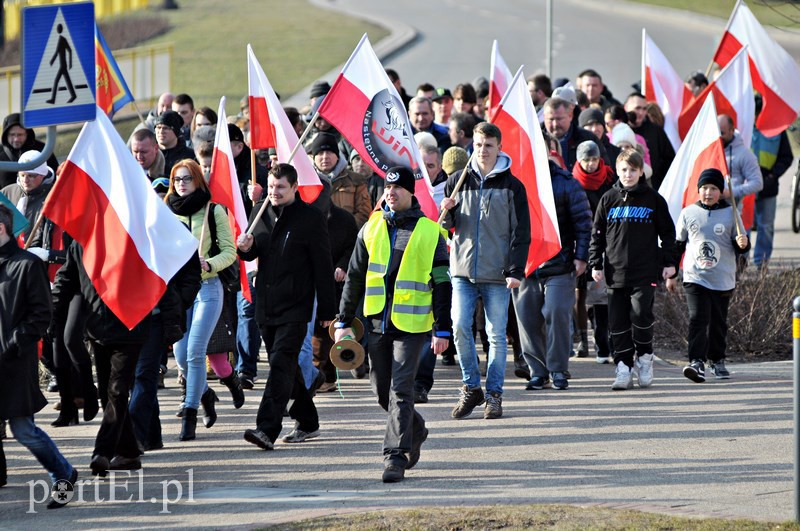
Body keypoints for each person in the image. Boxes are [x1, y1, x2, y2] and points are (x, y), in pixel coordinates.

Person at [335, 166, 451, 482]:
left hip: (412, 327)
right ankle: (416, 428)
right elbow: (355, 277)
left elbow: (442, 282)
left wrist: (442, 328)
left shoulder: (430, 232)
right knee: (381, 391)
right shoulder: (370, 229)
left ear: (411, 193)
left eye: (398, 188)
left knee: (400, 390)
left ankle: (394, 457)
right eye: (387, 186)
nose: (391, 192)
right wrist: (343, 320)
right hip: (376, 324)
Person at [238, 163, 336, 451]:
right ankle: (308, 421)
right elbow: (256, 251)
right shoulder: (260, 212)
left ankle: (266, 428)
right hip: (267, 305)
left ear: (294, 187)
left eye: (280, 187)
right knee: (288, 368)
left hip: (297, 306)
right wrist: (246, 247)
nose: (274, 192)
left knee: (280, 364)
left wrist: (328, 312)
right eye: (271, 187)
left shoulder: (310, 218)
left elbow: (323, 265)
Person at [441, 122, 530, 419]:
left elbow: (521, 232)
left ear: (499, 148)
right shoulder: (457, 179)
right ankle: (470, 387)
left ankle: (494, 394)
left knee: (495, 336)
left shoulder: (512, 186)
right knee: (459, 327)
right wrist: (448, 209)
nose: (482, 150)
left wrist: (515, 270)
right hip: (463, 270)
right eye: (478, 145)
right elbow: (443, 227)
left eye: (488, 145)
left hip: (497, 273)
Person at [0, 204, 77, 508]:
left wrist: (17, 341)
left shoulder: (27, 265)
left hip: (15, 361)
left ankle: (63, 472)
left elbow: (41, 314)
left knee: (23, 429)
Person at [589, 149, 676, 391]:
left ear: (641, 172)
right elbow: (596, 235)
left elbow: (668, 234)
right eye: (624, 170)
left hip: (645, 271)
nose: (628, 174)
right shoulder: (608, 199)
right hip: (615, 273)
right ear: (617, 171)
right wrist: (595, 263)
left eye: (633, 170)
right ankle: (623, 367)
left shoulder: (653, 199)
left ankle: (645, 359)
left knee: (640, 316)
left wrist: (669, 262)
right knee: (617, 323)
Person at [164, 160, 236, 441]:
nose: (181, 183)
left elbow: (230, 252)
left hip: (207, 288)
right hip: (180, 293)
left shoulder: (214, 210)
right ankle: (205, 393)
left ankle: (190, 412)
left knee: (195, 352)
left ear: (198, 181)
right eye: (177, 179)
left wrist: (209, 265)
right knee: (181, 357)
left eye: (187, 178)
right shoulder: (166, 213)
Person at [513, 141, 592, 391]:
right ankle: (538, 372)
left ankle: (558, 369)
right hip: (526, 267)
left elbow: (583, 222)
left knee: (557, 312)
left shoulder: (567, 183)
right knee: (527, 319)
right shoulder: (515, 183)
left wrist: (581, 257)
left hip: (560, 264)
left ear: (548, 152)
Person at [666, 168, 750, 382]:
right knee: (698, 319)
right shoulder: (688, 213)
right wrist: (672, 272)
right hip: (695, 277)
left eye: (713, 188)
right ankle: (696, 362)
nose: (708, 193)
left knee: (718, 322)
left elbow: (740, 246)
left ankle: (717, 360)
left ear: (720, 191)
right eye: (704, 188)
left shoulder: (731, 213)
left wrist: (742, 244)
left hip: (722, 278)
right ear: (699, 190)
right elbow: (678, 245)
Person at [571, 140, 615, 364]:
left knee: (600, 295)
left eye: (594, 159)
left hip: (604, 242)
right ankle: (581, 339)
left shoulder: (609, 179)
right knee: (579, 295)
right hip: (580, 241)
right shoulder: (573, 181)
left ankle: (603, 340)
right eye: (586, 159)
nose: (590, 164)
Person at [750, 96, 794, 270]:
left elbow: (787, 157)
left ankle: (761, 262)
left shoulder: (777, 131)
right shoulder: (743, 128)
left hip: (768, 185)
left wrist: (773, 175)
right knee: (743, 226)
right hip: (746, 186)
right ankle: (740, 260)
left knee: (766, 226)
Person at [310, 132, 372, 227]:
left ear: (337, 156)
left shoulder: (356, 180)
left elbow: (364, 213)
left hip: (347, 237)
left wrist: (343, 229)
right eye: (320, 153)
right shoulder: (306, 181)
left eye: (330, 152)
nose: (325, 157)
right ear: (314, 158)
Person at [624, 93, 675, 191]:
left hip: (653, 188)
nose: (641, 112)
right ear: (626, 107)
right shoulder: (618, 131)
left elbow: (669, 159)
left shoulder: (656, 131)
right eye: (637, 108)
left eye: (644, 109)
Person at [0, 113, 59, 188]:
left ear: (27, 134)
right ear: (6, 135)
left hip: (40, 198)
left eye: (20, 135)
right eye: (12, 135)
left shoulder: (43, 150)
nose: (16, 139)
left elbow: (56, 176)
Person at [155, 110, 195, 176]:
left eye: (166, 128)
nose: (161, 131)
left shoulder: (190, 156)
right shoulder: (150, 153)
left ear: (176, 131)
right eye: (158, 127)